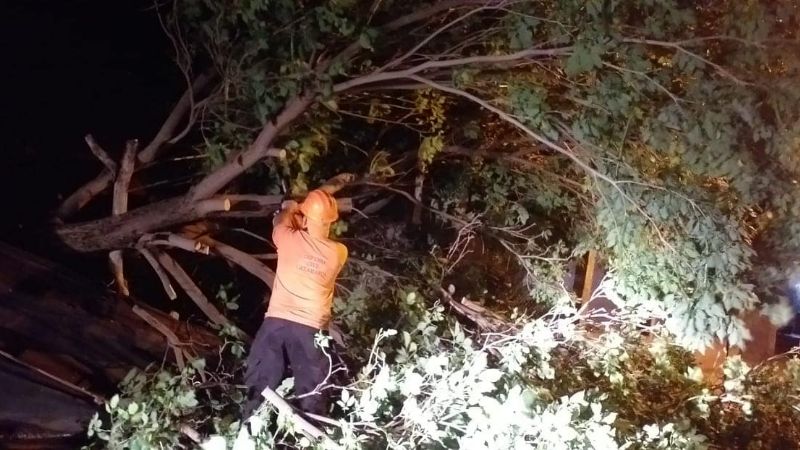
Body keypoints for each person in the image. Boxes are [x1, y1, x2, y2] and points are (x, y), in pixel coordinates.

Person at [243, 189, 348, 418]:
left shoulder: (288, 238)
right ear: (331, 221)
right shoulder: (338, 252)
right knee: (313, 393)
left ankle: (249, 431)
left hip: (277, 322)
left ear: (307, 217)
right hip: (311, 328)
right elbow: (309, 240)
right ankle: (312, 436)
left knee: (259, 383)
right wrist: (301, 217)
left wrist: (289, 208)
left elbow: (279, 222)